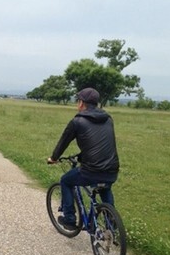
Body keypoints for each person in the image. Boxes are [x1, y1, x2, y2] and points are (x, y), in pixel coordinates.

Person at [47, 87, 119, 231]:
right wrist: (81, 156)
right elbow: (99, 145)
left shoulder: (77, 121)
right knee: (105, 187)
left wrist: (53, 158)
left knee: (65, 181)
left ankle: (69, 219)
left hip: (91, 171)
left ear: (81, 103)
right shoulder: (108, 119)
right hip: (112, 169)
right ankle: (112, 221)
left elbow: (63, 142)